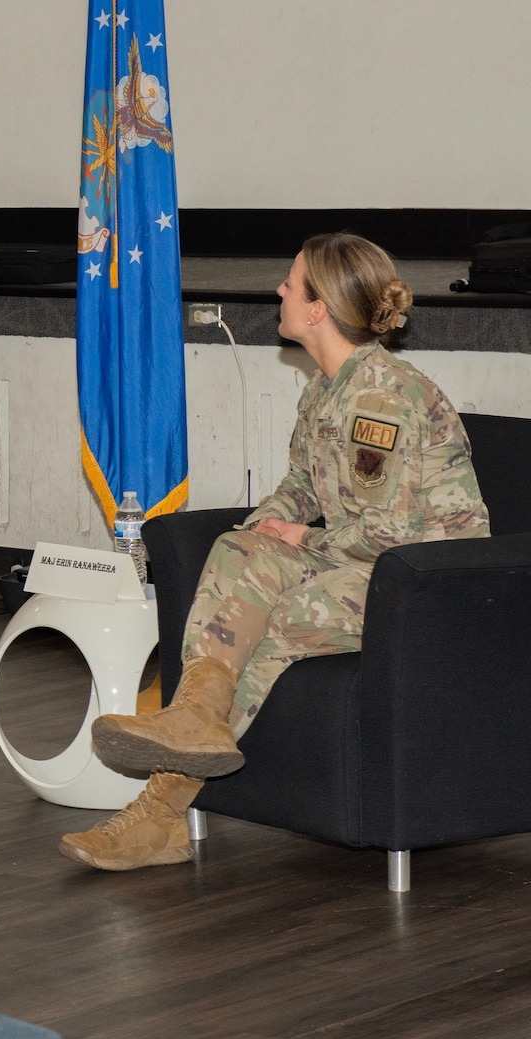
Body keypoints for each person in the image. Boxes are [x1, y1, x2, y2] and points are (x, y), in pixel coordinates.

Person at [61, 233, 490, 871]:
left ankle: (159, 811)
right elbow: (298, 488)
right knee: (238, 549)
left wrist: (305, 539)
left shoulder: (384, 398)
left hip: (427, 583)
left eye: (292, 284)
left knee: (284, 616)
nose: (280, 292)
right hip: (361, 562)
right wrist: (267, 529)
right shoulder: (324, 389)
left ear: (319, 309)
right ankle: (196, 720)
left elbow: (395, 531)